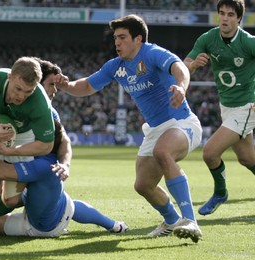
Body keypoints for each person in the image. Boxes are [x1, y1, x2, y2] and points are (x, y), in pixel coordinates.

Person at [55, 14, 203, 243]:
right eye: (115, 38)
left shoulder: (153, 53)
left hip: (181, 122)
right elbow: (85, 86)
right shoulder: (116, 66)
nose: (117, 42)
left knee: (163, 152)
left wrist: (181, 88)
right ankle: (172, 221)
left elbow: (180, 69)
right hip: (155, 130)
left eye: (122, 37)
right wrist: (65, 86)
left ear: (138, 39)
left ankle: (190, 220)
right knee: (143, 185)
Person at [0, 58, 72, 236]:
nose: (21, 96)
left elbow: (49, 144)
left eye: (28, 92)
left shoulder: (42, 106)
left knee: (12, 199)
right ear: (10, 77)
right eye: (18, 89)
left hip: (20, 142)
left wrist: (12, 151)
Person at [0, 119, 129, 238]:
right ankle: (114, 225)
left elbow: (2, 171)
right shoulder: (51, 159)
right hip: (59, 205)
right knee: (68, 204)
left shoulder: (40, 165)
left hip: (40, 227)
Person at [183, 0, 255, 216]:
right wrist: (194, 65)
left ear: (239, 19)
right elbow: (183, 68)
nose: (225, 18)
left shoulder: (249, 42)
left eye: (231, 15)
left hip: (247, 106)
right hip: (227, 106)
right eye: (222, 13)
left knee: (210, 153)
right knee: (247, 158)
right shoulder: (208, 39)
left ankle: (220, 193)